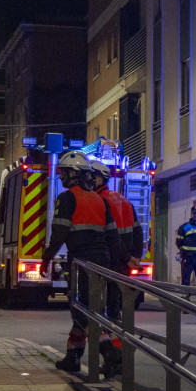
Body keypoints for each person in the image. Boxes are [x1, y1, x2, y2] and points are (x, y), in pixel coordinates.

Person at [43, 151, 119, 373]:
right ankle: (73, 357)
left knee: (81, 311)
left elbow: (58, 233)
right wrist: (113, 269)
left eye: (65, 172)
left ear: (74, 174)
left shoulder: (67, 199)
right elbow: (113, 238)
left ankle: (109, 350)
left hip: (81, 263)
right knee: (91, 308)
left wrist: (46, 258)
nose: (62, 177)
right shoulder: (100, 200)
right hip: (102, 263)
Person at [91, 158, 142, 376]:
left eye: (91, 176)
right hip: (122, 265)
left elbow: (111, 237)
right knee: (115, 310)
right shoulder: (125, 201)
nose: (88, 180)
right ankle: (120, 356)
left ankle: (114, 358)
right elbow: (138, 232)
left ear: (100, 178)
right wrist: (133, 257)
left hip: (107, 262)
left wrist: (122, 256)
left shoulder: (99, 201)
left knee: (98, 310)